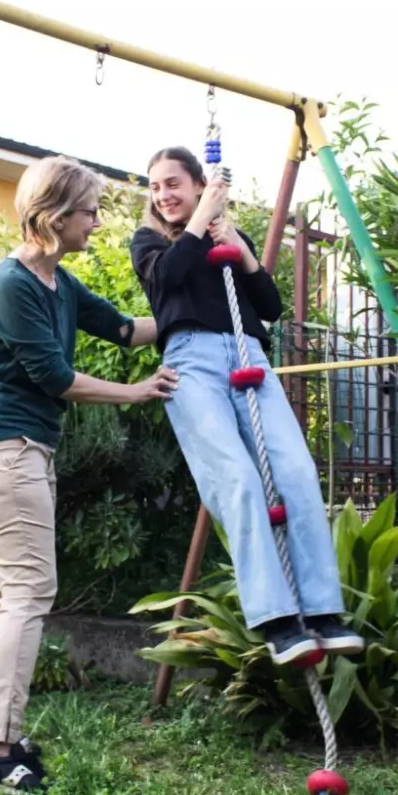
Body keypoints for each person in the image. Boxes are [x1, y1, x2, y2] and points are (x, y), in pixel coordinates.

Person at [0, 155, 177, 795]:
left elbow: (128, 330)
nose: (98, 223)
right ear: (53, 214)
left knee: (9, 591)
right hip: (2, 448)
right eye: (89, 211)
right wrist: (136, 395)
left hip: (25, 449)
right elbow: (55, 377)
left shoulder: (60, 283)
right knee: (30, 591)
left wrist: (200, 316)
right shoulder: (10, 284)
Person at [130, 146, 364, 665]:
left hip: (247, 352)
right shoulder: (149, 241)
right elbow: (167, 280)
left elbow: (271, 308)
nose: (164, 195)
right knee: (236, 479)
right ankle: (278, 622)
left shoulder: (223, 237)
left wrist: (240, 247)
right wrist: (202, 218)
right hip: (190, 363)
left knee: (297, 472)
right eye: (156, 187)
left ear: (197, 183)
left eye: (174, 184)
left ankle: (324, 612)